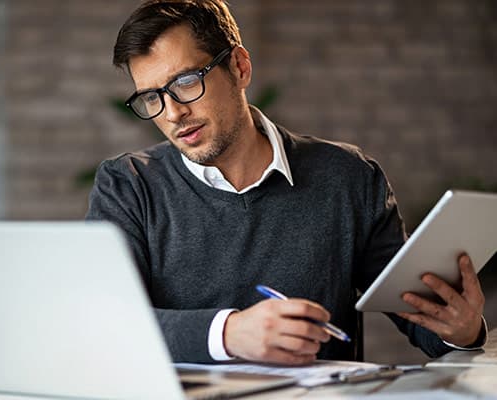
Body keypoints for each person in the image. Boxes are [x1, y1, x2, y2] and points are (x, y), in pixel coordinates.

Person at [86, 0, 487, 364]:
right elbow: (105, 322)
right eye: (151, 97)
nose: (172, 113)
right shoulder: (128, 185)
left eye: (186, 82)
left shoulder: (349, 177)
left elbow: (422, 319)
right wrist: (229, 334)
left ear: (240, 67)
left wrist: (461, 330)